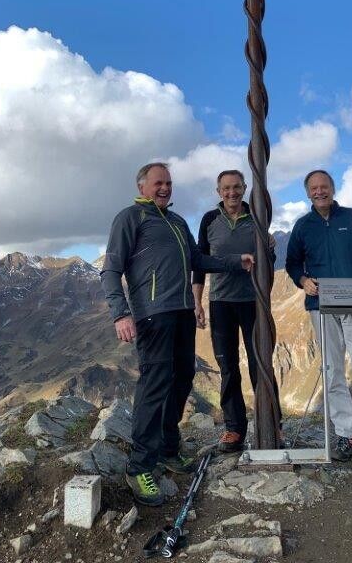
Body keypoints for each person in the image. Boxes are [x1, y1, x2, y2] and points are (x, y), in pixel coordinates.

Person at [101, 162, 254, 506]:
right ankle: (139, 466)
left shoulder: (177, 221)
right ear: (142, 186)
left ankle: (169, 448)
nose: (165, 188)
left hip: (183, 312)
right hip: (153, 315)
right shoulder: (130, 218)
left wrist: (236, 261)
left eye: (168, 183)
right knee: (155, 385)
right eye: (158, 183)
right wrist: (120, 313)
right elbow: (110, 269)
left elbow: (198, 259)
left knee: (183, 378)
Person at [285, 169, 352, 467]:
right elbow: (292, 262)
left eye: (324, 186)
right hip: (320, 307)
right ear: (308, 193)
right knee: (333, 371)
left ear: (333, 189)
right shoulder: (302, 226)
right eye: (314, 188)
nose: (319, 191)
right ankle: (346, 435)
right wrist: (302, 280)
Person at [192, 169, 278, 453]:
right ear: (219, 192)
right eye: (226, 188)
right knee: (228, 367)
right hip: (221, 303)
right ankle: (234, 429)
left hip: (253, 302)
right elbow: (200, 262)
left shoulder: (257, 217)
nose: (232, 193)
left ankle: (272, 424)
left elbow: (268, 262)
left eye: (237, 187)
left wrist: (271, 247)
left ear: (244, 189)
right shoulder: (209, 220)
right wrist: (197, 301)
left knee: (260, 363)